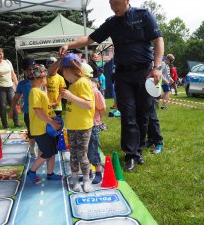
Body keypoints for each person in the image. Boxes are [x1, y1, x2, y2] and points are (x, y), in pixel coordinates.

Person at [60, 0, 164, 172]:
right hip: (123, 74)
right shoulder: (112, 23)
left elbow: (158, 41)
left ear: (127, 1)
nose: (113, 6)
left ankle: (138, 151)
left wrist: (157, 67)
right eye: (111, 3)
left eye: (117, 2)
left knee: (143, 114)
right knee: (128, 114)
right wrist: (69, 45)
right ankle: (130, 155)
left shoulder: (143, 15)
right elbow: (89, 38)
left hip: (144, 72)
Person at [60, 53, 95, 192]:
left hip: (83, 126)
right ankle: (75, 180)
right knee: (73, 154)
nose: (64, 75)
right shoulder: (73, 85)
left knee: (82, 154)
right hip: (72, 125)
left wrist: (70, 96)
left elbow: (88, 105)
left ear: (68, 70)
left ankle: (86, 180)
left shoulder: (83, 83)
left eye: (63, 72)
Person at [26, 64, 62, 183]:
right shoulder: (35, 91)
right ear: (41, 78)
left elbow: (45, 108)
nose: (46, 79)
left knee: (52, 151)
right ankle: (31, 171)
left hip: (47, 128)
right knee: (47, 152)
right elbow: (38, 111)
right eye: (45, 77)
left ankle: (50, 173)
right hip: (40, 129)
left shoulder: (40, 91)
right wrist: (52, 122)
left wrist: (54, 119)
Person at [82, 63, 106, 184]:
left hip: (93, 125)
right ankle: (88, 172)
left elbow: (102, 108)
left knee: (93, 149)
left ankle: (98, 172)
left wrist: (97, 120)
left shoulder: (94, 91)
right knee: (84, 150)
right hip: (82, 124)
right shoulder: (78, 90)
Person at [9, 58, 35, 156]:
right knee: (31, 132)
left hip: (40, 112)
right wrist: (11, 110)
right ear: (23, 71)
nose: (31, 71)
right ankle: (32, 148)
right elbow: (16, 98)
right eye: (28, 70)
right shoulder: (22, 84)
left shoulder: (40, 79)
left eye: (33, 69)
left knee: (42, 133)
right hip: (28, 113)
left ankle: (43, 149)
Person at [0, 47, 19, 129]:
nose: (0, 56)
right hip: (0, 87)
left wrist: (17, 84)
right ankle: (5, 125)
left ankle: (16, 123)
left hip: (10, 87)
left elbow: (13, 74)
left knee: (14, 104)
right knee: (2, 106)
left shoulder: (8, 62)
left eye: (1, 54)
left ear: (3, 54)